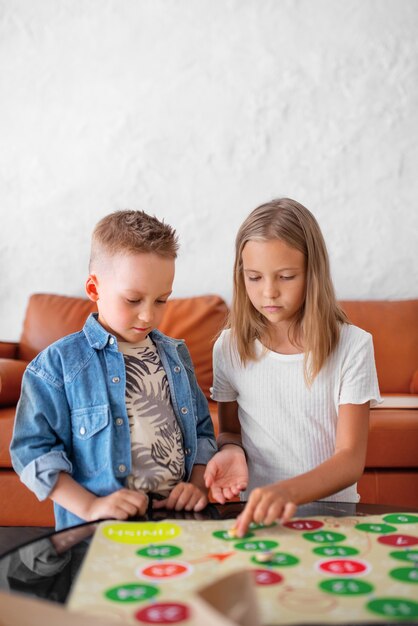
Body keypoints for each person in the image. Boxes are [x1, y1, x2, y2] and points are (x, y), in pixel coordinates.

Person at [11, 210, 216, 530]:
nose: (148, 315)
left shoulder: (175, 354)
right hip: (98, 529)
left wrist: (198, 486)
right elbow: (31, 452)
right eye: (133, 299)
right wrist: (91, 506)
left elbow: (202, 431)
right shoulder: (59, 364)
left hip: (177, 520)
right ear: (94, 289)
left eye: (161, 300)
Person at [204, 198, 381, 536]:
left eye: (285, 276)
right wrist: (229, 450)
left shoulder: (353, 346)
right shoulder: (228, 347)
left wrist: (287, 491)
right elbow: (231, 433)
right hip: (256, 519)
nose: (268, 292)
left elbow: (350, 459)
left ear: (312, 273)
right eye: (254, 277)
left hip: (333, 517)